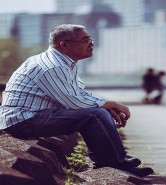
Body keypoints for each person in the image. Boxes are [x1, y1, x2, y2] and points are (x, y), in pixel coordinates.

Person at [0, 24, 154, 177]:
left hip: (34, 115)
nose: (91, 43)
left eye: (90, 39)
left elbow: (78, 93)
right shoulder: (52, 66)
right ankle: (111, 162)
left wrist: (107, 106)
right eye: (85, 40)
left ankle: (115, 157)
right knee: (94, 115)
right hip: (23, 120)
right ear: (64, 45)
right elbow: (74, 101)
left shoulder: (64, 62)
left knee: (98, 111)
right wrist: (111, 104)